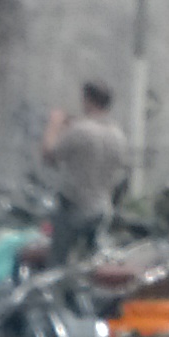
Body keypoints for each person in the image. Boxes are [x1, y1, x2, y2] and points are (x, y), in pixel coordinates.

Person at [39, 81, 129, 259]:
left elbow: (49, 155)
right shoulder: (118, 135)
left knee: (59, 264)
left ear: (88, 100)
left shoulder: (80, 130)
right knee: (90, 261)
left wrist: (54, 124)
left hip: (75, 207)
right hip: (102, 208)